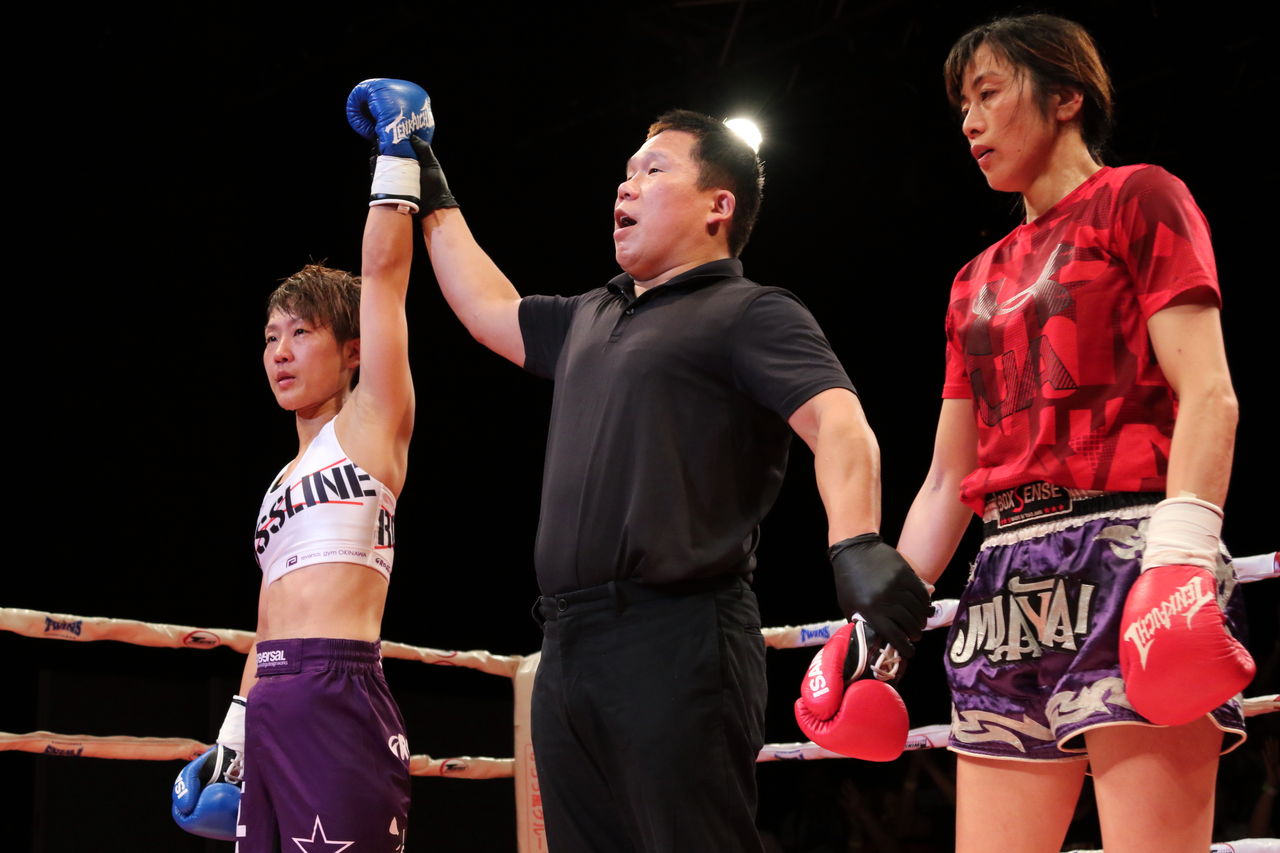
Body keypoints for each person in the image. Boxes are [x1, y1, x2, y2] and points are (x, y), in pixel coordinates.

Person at [411, 102, 929, 851]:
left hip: (679, 636)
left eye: (653, 170)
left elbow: (838, 421)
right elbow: (485, 306)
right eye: (625, 173)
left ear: (719, 206)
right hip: (567, 644)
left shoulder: (750, 311)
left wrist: (856, 542)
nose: (625, 186)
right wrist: (429, 180)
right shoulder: (591, 314)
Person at [894, 14, 1254, 853]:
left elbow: (1209, 391)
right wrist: (884, 616)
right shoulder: (972, 280)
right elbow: (949, 478)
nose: (969, 122)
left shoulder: (1139, 197)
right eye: (962, 106)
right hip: (1003, 578)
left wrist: (1181, 555)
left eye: (988, 93)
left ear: (1066, 97)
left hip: (1131, 552)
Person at [171, 80, 425, 851]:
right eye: (270, 337)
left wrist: (397, 156)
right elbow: (268, 621)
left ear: (351, 351)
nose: (280, 351)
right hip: (272, 698)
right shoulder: (278, 484)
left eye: (301, 333)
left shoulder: (372, 423)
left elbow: (384, 281)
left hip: (338, 686)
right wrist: (235, 729)